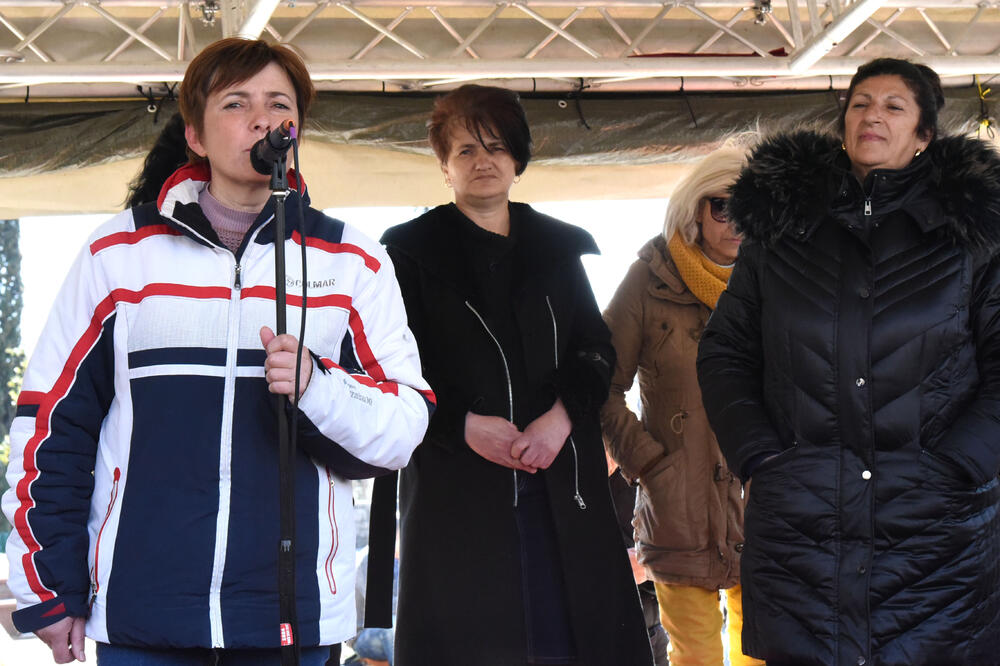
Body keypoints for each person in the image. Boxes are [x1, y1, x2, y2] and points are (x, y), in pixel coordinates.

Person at [2, 37, 432, 665]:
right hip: (143, 619)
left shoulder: (353, 262)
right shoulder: (117, 255)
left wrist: (319, 385)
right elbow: (51, 427)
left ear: (296, 131)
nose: (262, 119)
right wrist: (48, 587)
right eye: (236, 103)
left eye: (279, 105)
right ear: (195, 136)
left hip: (293, 622)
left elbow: (405, 425)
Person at [697, 58, 1000, 665]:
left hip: (936, 529)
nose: (872, 116)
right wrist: (761, 457)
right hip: (802, 525)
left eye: (893, 106)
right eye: (860, 103)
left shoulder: (973, 237)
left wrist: (961, 463)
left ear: (924, 134)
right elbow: (726, 351)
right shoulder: (781, 231)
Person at [377, 84, 653, 666]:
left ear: (518, 161)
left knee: (571, 641)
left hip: (561, 482)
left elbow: (595, 350)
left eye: (496, 147)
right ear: (444, 167)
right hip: (457, 486)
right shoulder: (409, 253)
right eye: (465, 150)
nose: (483, 161)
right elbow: (390, 365)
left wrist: (560, 420)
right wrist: (462, 424)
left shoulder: (558, 248)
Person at [601, 147, 763, 666]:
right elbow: (599, 385)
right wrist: (650, 464)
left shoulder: (779, 280)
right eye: (723, 206)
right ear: (695, 208)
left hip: (765, 507)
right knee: (694, 657)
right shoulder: (648, 279)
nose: (737, 220)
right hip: (678, 511)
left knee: (765, 653)